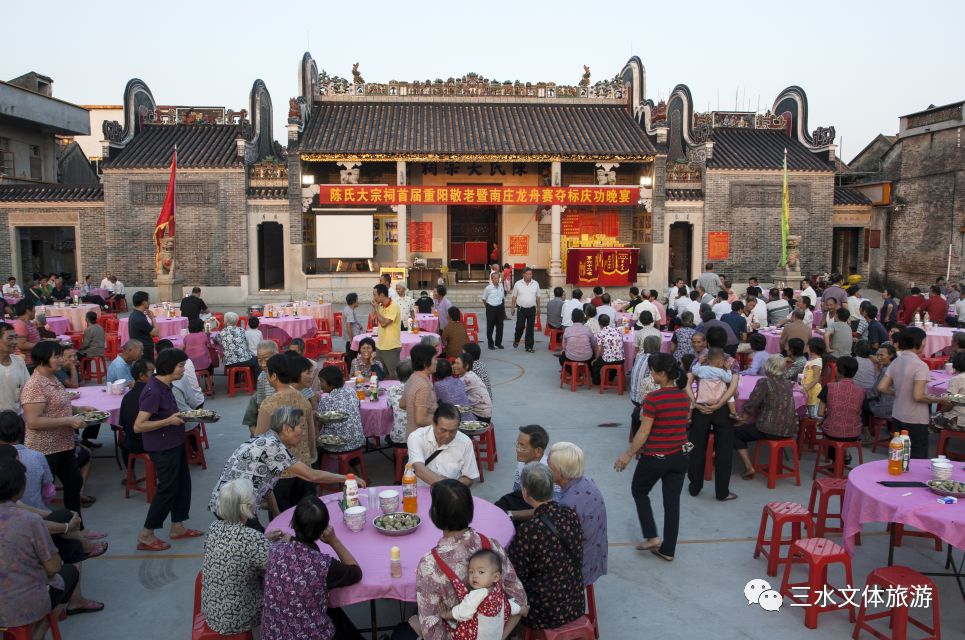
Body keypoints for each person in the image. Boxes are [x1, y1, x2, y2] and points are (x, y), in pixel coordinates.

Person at [411, 479, 525, 640]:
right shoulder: (491, 545)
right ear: (470, 510)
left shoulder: (429, 563)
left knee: (407, 625)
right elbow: (519, 598)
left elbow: (432, 630)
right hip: (495, 632)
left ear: (435, 514)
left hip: (458, 634)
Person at [210, 407, 357, 529]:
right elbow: (311, 475)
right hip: (235, 507)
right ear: (287, 428)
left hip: (224, 502)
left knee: (259, 542)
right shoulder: (273, 446)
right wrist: (346, 477)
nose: (303, 432)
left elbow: (267, 486)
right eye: (301, 427)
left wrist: (277, 516)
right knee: (261, 548)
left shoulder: (265, 440)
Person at [614, 353, 690, 559]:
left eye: (653, 371)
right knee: (672, 503)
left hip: (656, 456)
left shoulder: (654, 399)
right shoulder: (683, 396)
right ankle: (668, 550)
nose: (651, 374)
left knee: (639, 490)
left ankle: (652, 536)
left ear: (662, 374)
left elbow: (644, 431)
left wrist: (628, 454)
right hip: (679, 456)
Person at [0, 457, 86, 634]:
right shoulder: (29, 521)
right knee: (70, 572)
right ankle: (38, 634)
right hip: (22, 607)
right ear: (20, 489)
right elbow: (53, 567)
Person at [261, 496, 363, 640]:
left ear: (293, 522)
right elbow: (356, 572)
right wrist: (334, 541)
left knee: (335, 613)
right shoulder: (323, 565)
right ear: (324, 528)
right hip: (310, 635)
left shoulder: (274, 550)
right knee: (337, 616)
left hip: (272, 633)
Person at [20, 341, 94, 523]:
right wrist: (69, 420)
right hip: (45, 449)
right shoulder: (35, 385)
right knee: (43, 494)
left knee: (74, 485)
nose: (61, 360)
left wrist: (79, 410)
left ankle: (78, 528)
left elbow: (58, 407)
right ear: (43, 359)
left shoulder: (53, 379)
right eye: (57, 356)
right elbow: (34, 421)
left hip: (64, 443)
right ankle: (53, 535)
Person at [134, 348, 199, 551]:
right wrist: (168, 421)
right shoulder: (153, 390)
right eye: (180, 366)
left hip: (174, 442)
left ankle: (177, 525)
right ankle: (147, 533)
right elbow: (139, 425)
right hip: (162, 447)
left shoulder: (166, 385)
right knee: (168, 488)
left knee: (182, 484)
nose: (183, 369)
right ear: (169, 366)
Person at [507, 463, 584, 631]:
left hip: (543, 612)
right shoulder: (570, 514)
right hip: (575, 602)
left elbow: (514, 575)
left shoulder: (529, 530)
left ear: (525, 493)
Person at [202, 479, 281, 636]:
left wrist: (263, 540)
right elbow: (277, 566)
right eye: (253, 497)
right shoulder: (250, 537)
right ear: (248, 506)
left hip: (213, 611)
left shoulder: (214, 527)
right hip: (237, 617)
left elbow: (238, 552)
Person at [254, 355, 317, 512]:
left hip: (279, 473)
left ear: (274, 376)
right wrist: (311, 460)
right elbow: (311, 436)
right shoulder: (303, 399)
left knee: (282, 519)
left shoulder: (269, 404)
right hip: (304, 468)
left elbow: (258, 442)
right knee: (305, 515)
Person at [878, 327, 951, 458]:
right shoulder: (920, 365)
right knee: (917, 458)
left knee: (899, 456)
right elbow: (918, 396)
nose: (925, 343)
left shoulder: (897, 361)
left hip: (897, 414)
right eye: (924, 340)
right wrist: (939, 400)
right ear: (917, 342)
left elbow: (882, 387)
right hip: (915, 419)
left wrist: (898, 392)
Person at [548, 442, 608, 586]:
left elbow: (560, 543)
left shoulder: (567, 505)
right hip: (596, 555)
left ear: (559, 471)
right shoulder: (587, 481)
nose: (546, 469)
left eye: (549, 466)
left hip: (581, 566)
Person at [687, 342, 740, 501]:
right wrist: (719, 404)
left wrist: (695, 403)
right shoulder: (731, 362)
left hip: (701, 407)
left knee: (695, 447)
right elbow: (732, 387)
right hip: (722, 409)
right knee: (724, 450)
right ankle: (722, 491)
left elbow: (686, 383)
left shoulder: (699, 360)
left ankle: (695, 486)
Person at [733, 354, 799, 478]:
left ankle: (748, 467)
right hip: (789, 429)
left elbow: (751, 405)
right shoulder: (788, 383)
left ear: (767, 367)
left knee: (735, 432)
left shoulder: (765, 382)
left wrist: (741, 420)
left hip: (769, 429)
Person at [449, 549, 522, 640]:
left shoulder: (478, 593)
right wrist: (520, 609)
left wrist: (445, 614)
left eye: (481, 572)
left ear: (495, 577)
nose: (474, 576)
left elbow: (463, 611)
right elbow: (506, 604)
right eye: (471, 572)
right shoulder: (498, 590)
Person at [407, 403, 479, 487]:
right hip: (418, 490)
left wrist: (451, 489)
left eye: (452, 431)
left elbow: (469, 477)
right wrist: (447, 485)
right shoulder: (417, 437)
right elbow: (419, 469)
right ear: (434, 424)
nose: (447, 435)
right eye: (443, 430)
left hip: (450, 494)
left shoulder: (465, 442)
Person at [496, 425, 556, 522]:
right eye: (517, 444)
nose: (517, 449)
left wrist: (510, 514)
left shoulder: (548, 473)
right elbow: (517, 490)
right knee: (498, 507)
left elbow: (549, 509)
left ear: (538, 451)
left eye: (522, 446)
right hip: (525, 500)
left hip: (542, 514)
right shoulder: (523, 462)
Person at [818, 356, 865, 464]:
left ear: (839, 370)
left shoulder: (829, 387)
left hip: (832, 431)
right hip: (853, 433)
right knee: (840, 432)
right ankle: (844, 455)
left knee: (831, 430)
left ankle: (836, 462)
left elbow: (820, 413)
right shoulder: (861, 391)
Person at [316, 365, 365, 454]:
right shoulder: (352, 391)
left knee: (317, 445)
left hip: (338, 446)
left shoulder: (325, 400)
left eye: (322, 381)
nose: (320, 384)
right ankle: (354, 464)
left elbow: (319, 425)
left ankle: (322, 467)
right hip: (358, 441)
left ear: (331, 383)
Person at [156, 340, 204, 414]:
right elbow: (193, 403)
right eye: (181, 366)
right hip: (187, 413)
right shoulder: (179, 376)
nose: (184, 369)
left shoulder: (154, 377)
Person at [400, 343, 438, 436]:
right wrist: (441, 421)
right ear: (425, 363)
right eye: (435, 359)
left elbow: (402, 404)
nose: (437, 362)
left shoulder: (413, 377)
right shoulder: (423, 386)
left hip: (412, 433)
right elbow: (421, 420)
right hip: (423, 437)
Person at [119, 359, 151, 469]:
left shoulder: (127, 397)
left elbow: (123, 425)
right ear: (142, 376)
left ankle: (131, 476)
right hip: (149, 441)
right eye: (152, 372)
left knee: (124, 443)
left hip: (131, 442)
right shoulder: (151, 394)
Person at [689, 348, 739, 418]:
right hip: (718, 398)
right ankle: (733, 412)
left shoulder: (702, 369)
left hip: (703, 398)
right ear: (721, 362)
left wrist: (699, 362)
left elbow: (694, 370)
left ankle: (689, 416)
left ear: (708, 360)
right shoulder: (720, 371)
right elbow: (728, 379)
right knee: (730, 396)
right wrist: (728, 369)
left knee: (692, 397)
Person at [215, 312, 260, 383]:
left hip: (229, 362)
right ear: (236, 321)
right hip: (244, 360)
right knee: (256, 360)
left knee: (234, 357)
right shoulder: (241, 330)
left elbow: (216, 341)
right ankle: (257, 382)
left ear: (225, 321)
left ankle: (235, 381)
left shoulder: (221, 333)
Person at [373, 283, 402, 379]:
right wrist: (376, 309)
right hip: (380, 346)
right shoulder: (381, 306)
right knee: (381, 375)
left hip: (391, 347)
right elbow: (375, 319)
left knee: (394, 375)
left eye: (375, 295)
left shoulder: (393, 306)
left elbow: (384, 323)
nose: (373, 297)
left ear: (381, 295)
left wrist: (376, 309)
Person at [453, 353, 492, 422]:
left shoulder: (466, 379)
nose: (454, 366)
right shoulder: (469, 374)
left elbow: (452, 396)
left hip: (480, 416)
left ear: (467, 366)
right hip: (484, 413)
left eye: (458, 363)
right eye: (454, 363)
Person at [0, 322, 29, 413]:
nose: (15, 342)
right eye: (10, 338)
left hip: (16, 419)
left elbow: (27, 390)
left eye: (15, 337)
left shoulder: (19, 361)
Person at [510, 268, 540, 353]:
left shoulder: (535, 284)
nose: (529, 276)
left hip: (532, 309)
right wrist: (512, 308)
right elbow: (514, 297)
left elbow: (538, 297)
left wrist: (538, 308)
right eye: (527, 274)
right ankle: (516, 340)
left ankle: (529, 346)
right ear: (523, 274)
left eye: (530, 274)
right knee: (520, 326)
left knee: (530, 329)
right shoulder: (518, 284)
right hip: (521, 309)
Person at [591, 314, 624, 385]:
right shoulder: (617, 330)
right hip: (620, 359)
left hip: (608, 360)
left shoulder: (600, 333)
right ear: (609, 321)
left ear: (599, 323)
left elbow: (599, 349)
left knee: (595, 364)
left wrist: (596, 359)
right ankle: (610, 379)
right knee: (614, 361)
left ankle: (597, 382)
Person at [866, 344, 897, 420]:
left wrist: (864, 395)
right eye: (877, 355)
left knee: (861, 401)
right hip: (896, 406)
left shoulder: (886, 370)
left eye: (881, 355)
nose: (879, 358)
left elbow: (875, 392)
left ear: (891, 355)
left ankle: (866, 429)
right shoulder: (897, 366)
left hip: (886, 408)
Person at [128, 291, 159, 362]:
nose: (149, 302)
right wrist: (153, 318)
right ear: (144, 302)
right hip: (144, 349)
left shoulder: (134, 314)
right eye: (148, 300)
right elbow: (156, 333)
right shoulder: (139, 318)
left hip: (139, 347)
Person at [388, 360, 413, 446]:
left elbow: (389, 406)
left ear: (398, 375)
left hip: (399, 438)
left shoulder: (392, 389)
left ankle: (397, 455)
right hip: (418, 437)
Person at [480, 271, 506, 350]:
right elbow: (484, 299)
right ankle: (490, 344)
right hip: (491, 308)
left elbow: (502, 297)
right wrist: (488, 307)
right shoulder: (488, 288)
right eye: (495, 278)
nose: (497, 280)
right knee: (490, 327)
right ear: (492, 279)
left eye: (498, 278)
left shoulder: (501, 286)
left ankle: (498, 343)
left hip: (500, 308)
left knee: (500, 327)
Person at [12, 300, 41, 367]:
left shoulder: (29, 323)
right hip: (27, 363)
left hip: (34, 360)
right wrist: (41, 345)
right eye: (34, 309)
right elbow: (22, 345)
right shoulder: (20, 324)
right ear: (28, 310)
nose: (35, 311)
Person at [342, 292, 364, 362]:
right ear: (354, 302)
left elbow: (354, 322)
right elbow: (348, 325)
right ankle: (350, 370)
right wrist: (351, 340)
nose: (358, 302)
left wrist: (359, 325)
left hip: (351, 338)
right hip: (352, 339)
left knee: (351, 355)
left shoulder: (347, 308)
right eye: (357, 300)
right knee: (352, 357)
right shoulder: (350, 312)